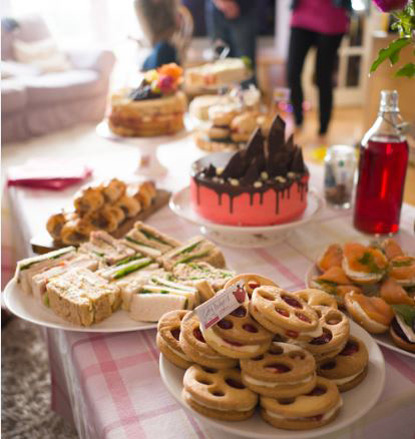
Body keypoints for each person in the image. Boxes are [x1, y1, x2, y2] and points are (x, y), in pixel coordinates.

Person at [287, 0, 352, 136]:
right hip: (302, 16)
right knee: (292, 72)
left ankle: (324, 125)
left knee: (323, 76)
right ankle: (298, 118)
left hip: (331, 18)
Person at [205, 0, 258, 84]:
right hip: (215, 7)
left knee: (244, 65)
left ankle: (247, 94)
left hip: (243, 7)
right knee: (219, 63)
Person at [134, 0, 179, 70]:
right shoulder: (140, 3)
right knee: (163, 49)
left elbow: (176, 27)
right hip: (150, 51)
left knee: (167, 50)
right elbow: (152, 38)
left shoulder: (170, 2)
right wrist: (167, 33)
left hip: (170, 47)